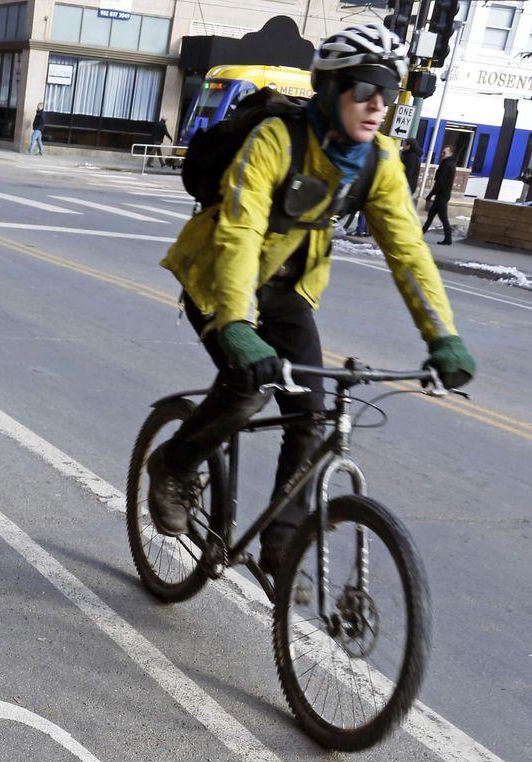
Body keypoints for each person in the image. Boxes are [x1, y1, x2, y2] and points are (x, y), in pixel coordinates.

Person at [148, 21, 475, 586]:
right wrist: (236, 323)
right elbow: (240, 231)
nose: (378, 105)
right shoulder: (276, 140)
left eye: (388, 92)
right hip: (218, 279)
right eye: (364, 89)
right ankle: (173, 465)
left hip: (288, 290)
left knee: (312, 415)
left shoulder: (378, 161)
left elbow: (408, 253)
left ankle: (283, 545)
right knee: (247, 389)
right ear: (330, 90)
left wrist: (442, 336)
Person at [422, 143, 457, 245]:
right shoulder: (449, 164)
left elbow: (440, 182)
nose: (442, 154)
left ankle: (448, 239)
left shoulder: (446, 165)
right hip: (442, 195)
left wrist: (431, 194)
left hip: (442, 195)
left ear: (450, 153)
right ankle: (420, 234)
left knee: (443, 218)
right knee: (431, 215)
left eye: (444, 152)